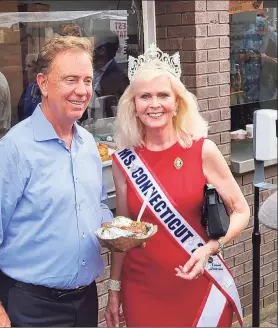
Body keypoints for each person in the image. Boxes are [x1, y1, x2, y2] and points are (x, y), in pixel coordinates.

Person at [0, 36, 113, 327]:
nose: (82, 91)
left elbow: (98, 204)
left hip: (85, 301)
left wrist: (112, 231)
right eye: (70, 80)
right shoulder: (15, 149)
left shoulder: (89, 145)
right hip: (31, 308)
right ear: (42, 83)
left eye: (87, 80)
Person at [104, 44, 250, 327]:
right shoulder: (124, 163)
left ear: (177, 103)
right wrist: (114, 286)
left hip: (199, 284)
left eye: (163, 95)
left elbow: (242, 211)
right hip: (142, 289)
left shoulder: (202, 150)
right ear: (133, 105)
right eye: (144, 96)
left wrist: (210, 248)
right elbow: (123, 231)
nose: (154, 104)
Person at [91, 30, 129, 118]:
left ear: (102, 50)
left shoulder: (118, 77)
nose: (89, 50)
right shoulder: (93, 70)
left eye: (92, 47)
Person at [17, 53, 42, 121]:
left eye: (29, 66)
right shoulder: (30, 87)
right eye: (26, 66)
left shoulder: (43, 88)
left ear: (37, 68)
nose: (26, 69)